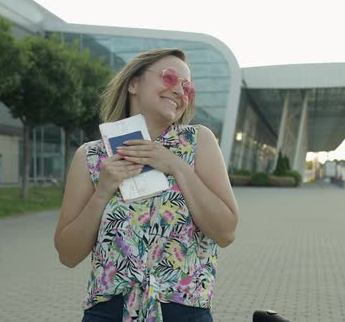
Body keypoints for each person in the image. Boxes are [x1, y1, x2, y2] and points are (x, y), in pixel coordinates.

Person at [54, 48, 239, 322]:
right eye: (169, 78)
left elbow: (226, 232)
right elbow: (68, 255)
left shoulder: (198, 141)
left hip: (183, 311)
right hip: (109, 312)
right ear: (133, 83)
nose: (180, 91)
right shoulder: (91, 156)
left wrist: (175, 165)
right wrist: (103, 191)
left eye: (187, 87)